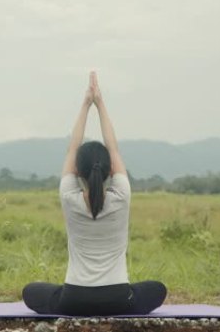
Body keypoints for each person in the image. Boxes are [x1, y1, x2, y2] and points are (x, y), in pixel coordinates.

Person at [22, 71, 167, 316]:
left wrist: (85, 104)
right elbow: (114, 147)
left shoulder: (69, 197)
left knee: (30, 291)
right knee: (158, 289)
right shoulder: (122, 195)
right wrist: (100, 103)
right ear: (111, 168)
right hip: (120, 299)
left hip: (73, 299)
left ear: (77, 170)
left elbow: (72, 149)